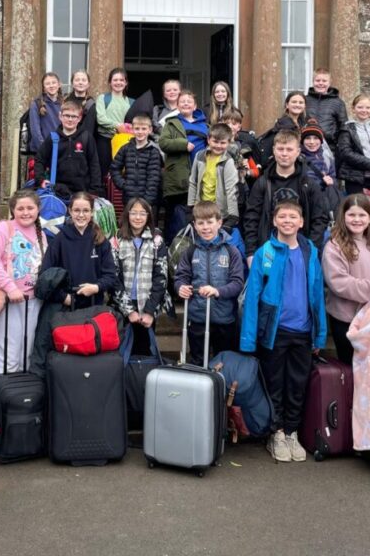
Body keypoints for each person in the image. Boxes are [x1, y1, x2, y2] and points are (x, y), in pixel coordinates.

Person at [240, 200, 326, 463]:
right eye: (282, 216)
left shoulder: (310, 251)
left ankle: (291, 431)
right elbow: (252, 297)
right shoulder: (265, 252)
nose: (288, 221)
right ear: (274, 221)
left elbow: (318, 295)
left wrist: (320, 334)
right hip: (274, 332)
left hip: (303, 331)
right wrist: (248, 339)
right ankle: (275, 432)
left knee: (297, 386)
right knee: (274, 384)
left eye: (293, 217)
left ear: (301, 222)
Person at [30, 192, 117, 375]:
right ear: (70, 211)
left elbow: (110, 276)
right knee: (57, 352)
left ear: (92, 212)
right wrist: (64, 297)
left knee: (87, 354)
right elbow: (45, 277)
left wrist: (96, 287)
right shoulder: (60, 239)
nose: (81, 215)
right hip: (64, 308)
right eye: (77, 210)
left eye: (85, 210)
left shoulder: (101, 241)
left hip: (92, 307)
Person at [321, 194, 370, 365]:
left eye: (362, 215)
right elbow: (339, 283)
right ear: (343, 217)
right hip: (347, 320)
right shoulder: (334, 247)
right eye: (352, 215)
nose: (357, 219)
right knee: (351, 370)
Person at [0, 190, 47, 374]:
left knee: (26, 355)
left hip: (33, 300)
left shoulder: (40, 234)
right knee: (9, 358)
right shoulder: (4, 228)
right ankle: (6, 390)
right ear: (13, 210)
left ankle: (21, 390)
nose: (26, 212)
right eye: (20, 208)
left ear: (38, 209)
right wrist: (10, 288)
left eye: (30, 208)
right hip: (9, 300)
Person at [174, 201, 245, 365]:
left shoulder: (231, 251)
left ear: (219, 223)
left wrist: (218, 291)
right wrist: (180, 287)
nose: (205, 227)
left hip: (224, 318)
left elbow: (237, 283)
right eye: (200, 223)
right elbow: (181, 277)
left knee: (223, 363)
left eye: (210, 222)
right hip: (197, 318)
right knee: (198, 361)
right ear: (194, 225)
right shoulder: (190, 251)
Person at [242, 129, 331, 259]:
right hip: (268, 250)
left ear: (298, 152)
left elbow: (319, 219)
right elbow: (251, 218)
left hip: (301, 250)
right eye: (280, 149)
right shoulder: (262, 183)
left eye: (289, 150)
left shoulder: (309, 184)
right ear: (274, 150)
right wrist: (251, 252)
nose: (284, 154)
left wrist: (311, 250)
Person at [110, 198, 170, 356]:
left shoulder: (157, 241)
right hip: (122, 306)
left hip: (147, 303)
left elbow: (161, 278)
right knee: (122, 352)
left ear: (148, 216)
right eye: (134, 213)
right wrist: (129, 310)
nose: (138, 217)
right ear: (127, 214)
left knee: (144, 351)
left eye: (142, 213)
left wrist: (150, 311)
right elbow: (113, 278)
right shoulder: (116, 239)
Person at [159, 89, 208, 242]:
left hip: (201, 176)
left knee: (200, 213)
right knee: (176, 217)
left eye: (189, 101)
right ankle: (174, 247)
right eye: (182, 102)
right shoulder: (171, 124)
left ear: (195, 106)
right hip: (178, 179)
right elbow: (163, 143)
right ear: (177, 106)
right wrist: (183, 144)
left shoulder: (205, 125)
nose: (186, 104)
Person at [36, 96, 102, 202]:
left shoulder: (86, 137)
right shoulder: (53, 138)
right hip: (57, 191)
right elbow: (39, 160)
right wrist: (41, 180)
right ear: (60, 116)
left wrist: (94, 190)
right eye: (67, 115)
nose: (70, 119)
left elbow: (94, 165)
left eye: (74, 116)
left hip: (82, 191)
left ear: (79, 118)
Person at [187, 122, 240, 232]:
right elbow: (193, 182)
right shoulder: (199, 156)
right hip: (201, 207)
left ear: (228, 143)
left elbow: (231, 190)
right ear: (208, 140)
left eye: (223, 143)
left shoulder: (228, 162)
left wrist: (233, 215)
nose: (218, 146)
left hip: (219, 211)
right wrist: (190, 206)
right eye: (215, 141)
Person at [337, 93, 370, 195]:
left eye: (368, 107)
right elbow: (346, 153)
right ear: (353, 109)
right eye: (360, 107)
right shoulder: (346, 129)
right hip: (355, 178)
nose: (364, 110)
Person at [110, 112, 162, 207]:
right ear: (132, 129)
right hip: (128, 198)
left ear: (150, 130)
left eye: (144, 129)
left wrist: (147, 201)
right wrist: (123, 185)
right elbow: (114, 168)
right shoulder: (125, 149)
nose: (140, 132)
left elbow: (154, 178)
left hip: (148, 201)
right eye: (137, 129)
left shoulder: (153, 151)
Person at [95, 67, 134, 178]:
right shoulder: (103, 98)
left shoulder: (131, 102)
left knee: (122, 171)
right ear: (110, 82)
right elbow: (101, 118)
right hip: (105, 140)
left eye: (121, 80)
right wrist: (117, 125)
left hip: (123, 141)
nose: (118, 82)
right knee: (104, 171)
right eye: (115, 80)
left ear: (126, 83)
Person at [300, 120, 341, 220]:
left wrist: (332, 182)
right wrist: (321, 182)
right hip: (310, 204)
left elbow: (334, 178)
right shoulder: (299, 159)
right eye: (308, 138)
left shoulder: (327, 157)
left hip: (327, 202)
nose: (312, 142)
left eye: (315, 138)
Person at [259, 91, 308, 161]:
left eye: (301, 102)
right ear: (287, 105)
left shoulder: (303, 123)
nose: (297, 105)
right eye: (294, 102)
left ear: (304, 106)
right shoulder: (284, 125)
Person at [304, 68, 348, 147]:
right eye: (317, 80)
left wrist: (340, 145)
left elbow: (343, 127)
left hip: (330, 146)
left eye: (324, 81)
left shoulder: (338, 103)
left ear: (329, 83)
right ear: (313, 81)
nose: (321, 83)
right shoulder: (305, 100)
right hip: (307, 143)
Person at [223, 107, 263, 185]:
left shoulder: (243, 147)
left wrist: (246, 171)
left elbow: (256, 172)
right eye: (227, 123)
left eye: (234, 124)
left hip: (239, 186)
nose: (230, 126)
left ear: (239, 127)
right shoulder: (217, 145)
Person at [27, 71, 63, 155]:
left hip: (60, 148)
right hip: (43, 149)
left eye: (54, 82)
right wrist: (43, 149)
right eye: (47, 84)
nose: (51, 86)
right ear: (43, 87)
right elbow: (35, 130)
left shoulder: (64, 103)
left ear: (59, 84)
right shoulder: (37, 104)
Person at [69, 69, 98, 140]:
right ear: (72, 83)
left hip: (82, 141)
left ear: (88, 84)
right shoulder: (65, 101)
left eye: (84, 80)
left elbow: (89, 129)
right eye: (77, 80)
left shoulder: (90, 104)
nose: (80, 82)